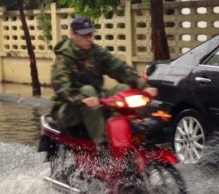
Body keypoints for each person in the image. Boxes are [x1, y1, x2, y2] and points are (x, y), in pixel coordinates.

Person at [51, 15, 157, 151]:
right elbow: (61, 89)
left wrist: (144, 86)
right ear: (72, 34)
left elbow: (120, 68)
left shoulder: (96, 52)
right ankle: (102, 146)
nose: (89, 38)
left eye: (90, 34)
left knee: (123, 89)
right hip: (69, 110)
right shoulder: (63, 58)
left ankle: (127, 137)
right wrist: (82, 100)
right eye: (84, 35)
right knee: (88, 90)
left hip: (95, 103)